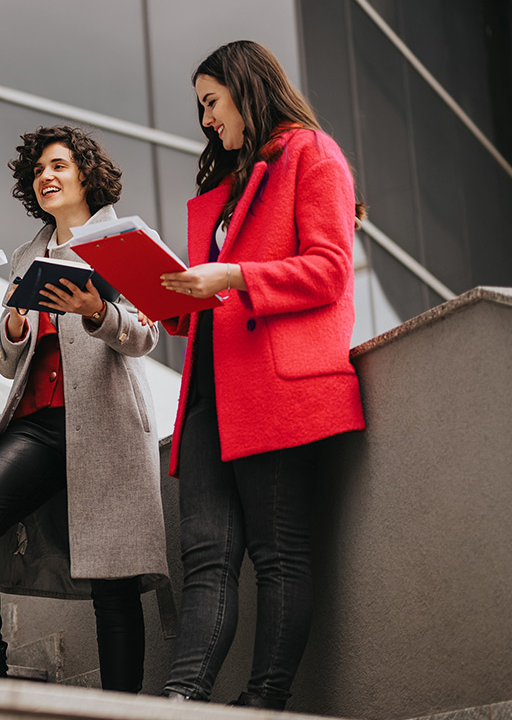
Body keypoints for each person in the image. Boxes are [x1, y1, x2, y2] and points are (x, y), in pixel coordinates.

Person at [155, 40, 368, 709]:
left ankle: (264, 702)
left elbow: (331, 269)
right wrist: (176, 304)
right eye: (201, 109)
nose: (207, 120)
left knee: (279, 553)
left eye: (212, 102)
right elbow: (219, 297)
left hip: (276, 388)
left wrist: (233, 275)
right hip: (212, 393)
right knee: (206, 560)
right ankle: (181, 698)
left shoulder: (314, 153)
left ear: (247, 87)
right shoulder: (233, 185)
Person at [0, 125, 168, 689]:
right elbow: (4, 359)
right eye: (39, 169)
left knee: (113, 584)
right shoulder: (26, 256)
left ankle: (120, 708)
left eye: (59, 165)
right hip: (38, 425)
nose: (46, 176)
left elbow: (146, 337)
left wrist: (97, 311)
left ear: (85, 174)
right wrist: (14, 326)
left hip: (109, 425)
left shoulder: (125, 240)